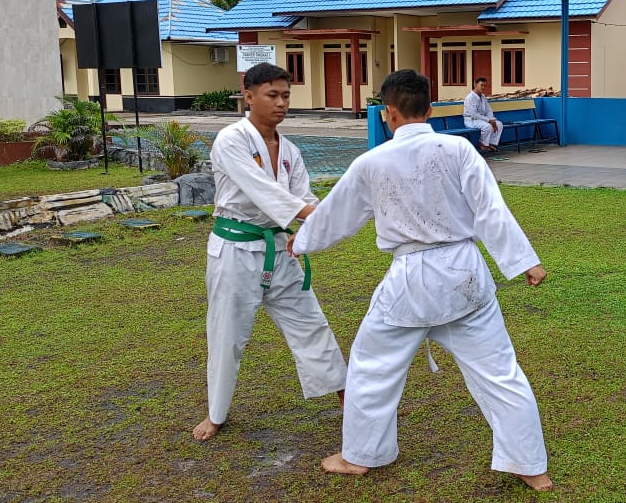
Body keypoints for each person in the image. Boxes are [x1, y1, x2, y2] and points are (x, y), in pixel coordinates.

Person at [289, 69, 553, 492]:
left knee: (371, 367)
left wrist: (301, 242)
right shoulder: (459, 149)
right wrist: (526, 262)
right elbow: (490, 209)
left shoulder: (371, 162)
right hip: (465, 275)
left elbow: (338, 215)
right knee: (499, 372)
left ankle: (360, 456)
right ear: (429, 109)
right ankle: (530, 466)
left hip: (410, 280)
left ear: (388, 113)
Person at [192, 62, 347, 442]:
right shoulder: (231, 140)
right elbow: (264, 191)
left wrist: (310, 226)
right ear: (248, 96)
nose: (281, 103)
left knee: (312, 324)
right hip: (235, 251)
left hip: (280, 250)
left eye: (286, 96)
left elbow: (303, 196)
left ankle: (348, 400)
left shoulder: (290, 150)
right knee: (227, 335)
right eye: (272, 95)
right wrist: (315, 216)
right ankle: (216, 413)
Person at [463, 76, 502, 152]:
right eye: (481, 85)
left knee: (499, 124)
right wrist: (488, 121)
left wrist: (492, 120)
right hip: (471, 120)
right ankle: (482, 143)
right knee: (487, 126)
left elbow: (489, 110)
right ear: (475, 85)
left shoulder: (483, 97)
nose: (483, 87)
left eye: (485, 86)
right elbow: (474, 114)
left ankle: (490, 143)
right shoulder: (470, 97)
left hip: (482, 120)